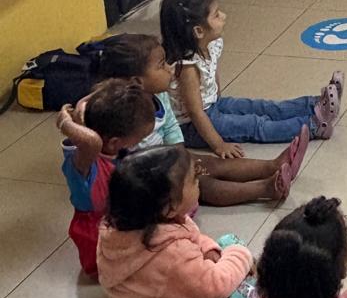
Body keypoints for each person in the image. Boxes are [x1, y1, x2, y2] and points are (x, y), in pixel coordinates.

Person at [97, 33, 309, 205]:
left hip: (168, 158)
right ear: (137, 82)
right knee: (203, 183)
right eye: (161, 66)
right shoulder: (125, 116)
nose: (170, 68)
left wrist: (180, 157)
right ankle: (266, 188)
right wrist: (178, 171)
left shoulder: (160, 95)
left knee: (211, 163)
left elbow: (171, 127)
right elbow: (129, 162)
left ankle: (273, 166)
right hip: (148, 179)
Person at [97, 145, 256, 298]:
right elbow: (216, 286)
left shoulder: (125, 227)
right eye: (194, 179)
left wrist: (210, 250)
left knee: (227, 243)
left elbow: (191, 236)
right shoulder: (167, 254)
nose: (199, 181)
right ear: (169, 206)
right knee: (242, 297)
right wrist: (242, 254)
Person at [160, 0, 343, 151]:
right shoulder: (188, 68)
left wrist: (222, 104)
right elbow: (196, 112)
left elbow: (213, 76)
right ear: (199, 31)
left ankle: (315, 104)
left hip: (213, 104)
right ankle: (313, 126)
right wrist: (218, 145)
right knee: (254, 124)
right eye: (216, 15)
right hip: (193, 126)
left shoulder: (209, 45)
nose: (224, 16)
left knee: (261, 107)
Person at [57, 78, 157, 278]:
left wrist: (82, 106)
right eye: (138, 139)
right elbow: (91, 141)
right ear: (114, 142)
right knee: (106, 270)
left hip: (118, 215)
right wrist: (65, 122)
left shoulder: (113, 150)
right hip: (94, 227)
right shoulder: (85, 158)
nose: (140, 143)